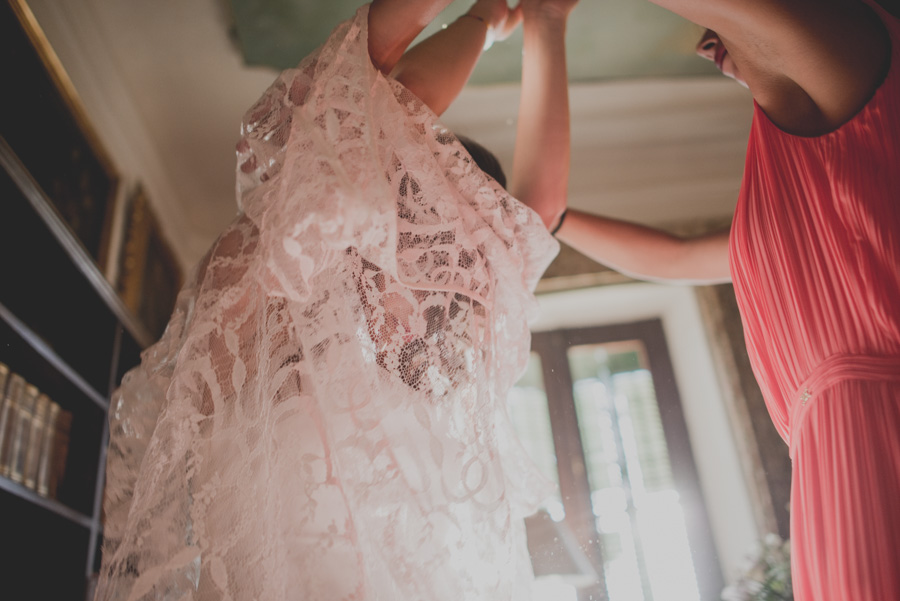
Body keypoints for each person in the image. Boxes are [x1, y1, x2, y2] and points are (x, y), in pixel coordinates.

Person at [94, 0, 578, 599]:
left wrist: (517, 21)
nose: (448, 267)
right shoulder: (281, 272)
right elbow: (387, 109)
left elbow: (531, 212)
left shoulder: (430, 378)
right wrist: (512, 21)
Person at [556, 1, 900, 599]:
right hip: (843, 451)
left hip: (868, 437)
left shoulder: (853, 77)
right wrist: (543, 216)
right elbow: (676, 258)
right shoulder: (859, 62)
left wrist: (544, 215)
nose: (701, 47)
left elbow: (677, 258)